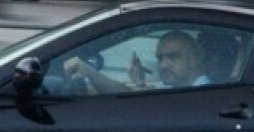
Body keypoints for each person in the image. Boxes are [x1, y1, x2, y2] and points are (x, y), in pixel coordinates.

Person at [64, 31, 209, 94]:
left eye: (173, 57)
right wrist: (140, 82)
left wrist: (88, 70)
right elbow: (140, 94)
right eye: (160, 58)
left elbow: (126, 94)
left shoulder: (202, 92)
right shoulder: (175, 85)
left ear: (194, 60)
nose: (163, 65)